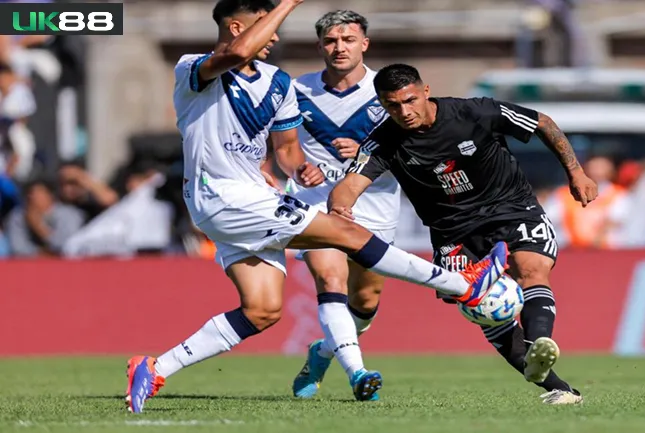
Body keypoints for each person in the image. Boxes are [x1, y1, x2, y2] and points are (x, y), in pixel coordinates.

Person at [124, 0, 508, 413]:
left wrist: (300, 168)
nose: (274, 35)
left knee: (262, 310)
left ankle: (155, 367)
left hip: (254, 197)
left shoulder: (276, 81)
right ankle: (464, 286)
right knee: (345, 236)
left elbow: (287, 149)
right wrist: (288, 3)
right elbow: (236, 53)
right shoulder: (194, 69)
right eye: (266, 24)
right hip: (223, 196)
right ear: (237, 27)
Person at [330, 64, 598, 405]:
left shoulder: (475, 112)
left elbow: (542, 122)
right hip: (452, 231)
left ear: (426, 91)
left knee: (531, 268)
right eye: (392, 105)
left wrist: (576, 173)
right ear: (382, 104)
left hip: (510, 208)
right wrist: (340, 207)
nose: (404, 112)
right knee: (486, 311)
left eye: (410, 100)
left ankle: (537, 343)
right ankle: (560, 389)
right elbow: (349, 185)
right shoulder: (384, 140)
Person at [285, 10, 400, 401]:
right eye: (331, 41)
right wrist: (299, 168)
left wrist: (369, 152)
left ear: (364, 44)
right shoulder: (296, 90)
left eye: (348, 40)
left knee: (365, 300)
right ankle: (358, 374)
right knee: (329, 279)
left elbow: (416, 149)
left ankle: (322, 352)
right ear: (320, 46)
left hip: (374, 204)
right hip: (315, 204)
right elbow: (281, 145)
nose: (339, 48)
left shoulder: (388, 90)